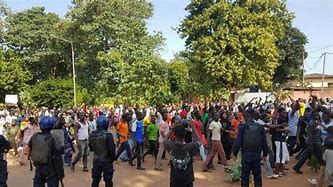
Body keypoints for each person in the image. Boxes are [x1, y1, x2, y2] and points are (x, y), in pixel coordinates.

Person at [232, 109, 269, 187]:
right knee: (257, 175)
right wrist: (265, 154)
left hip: (246, 154)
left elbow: (238, 141)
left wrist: (234, 153)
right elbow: (264, 142)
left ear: (247, 116)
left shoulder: (242, 127)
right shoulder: (260, 127)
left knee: (245, 175)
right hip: (256, 155)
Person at [164, 119, 201, 187]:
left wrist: (172, 128)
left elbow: (165, 140)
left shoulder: (171, 146)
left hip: (174, 180)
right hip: (187, 180)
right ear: (185, 134)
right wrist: (193, 128)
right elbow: (199, 142)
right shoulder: (190, 147)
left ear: (174, 134)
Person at [29, 116, 64, 187]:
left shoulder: (35, 136)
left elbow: (30, 146)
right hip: (51, 166)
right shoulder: (54, 137)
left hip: (39, 165)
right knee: (52, 183)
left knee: (38, 183)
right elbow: (60, 152)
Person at [89, 115, 116, 187]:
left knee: (95, 179)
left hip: (96, 160)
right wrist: (113, 158)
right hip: (106, 160)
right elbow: (111, 150)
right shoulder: (108, 135)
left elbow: (91, 148)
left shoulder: (92, 134)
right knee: (108, 180)